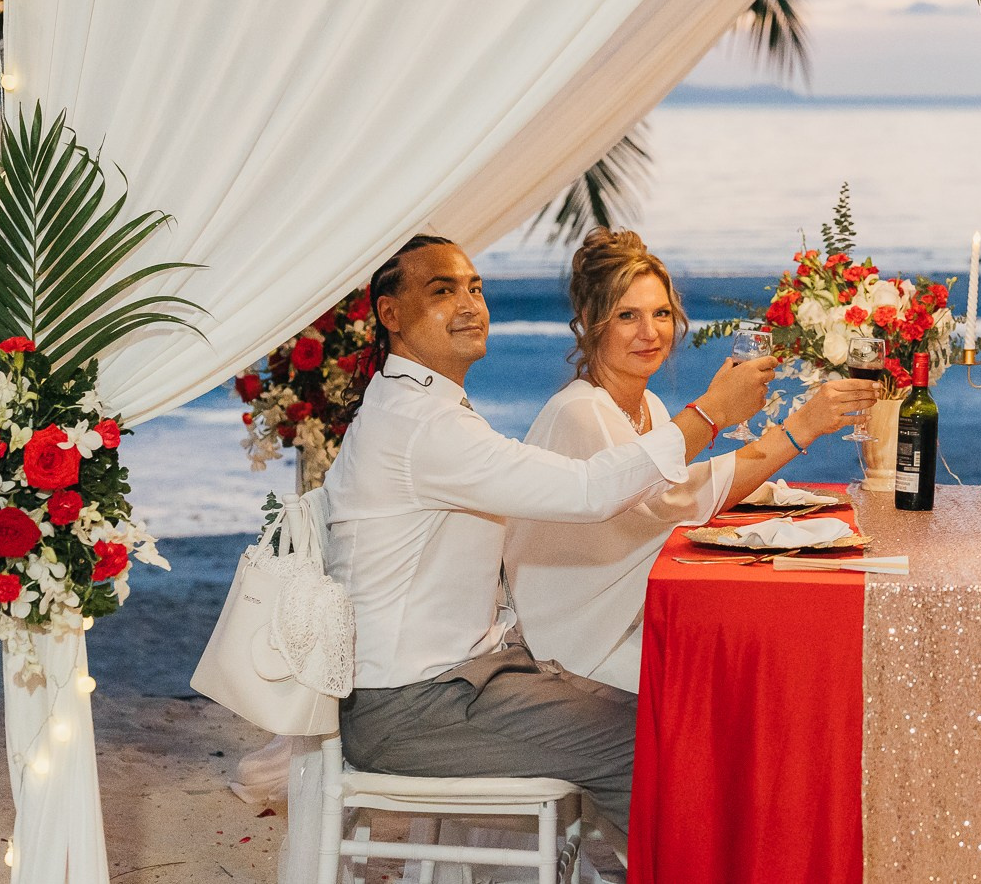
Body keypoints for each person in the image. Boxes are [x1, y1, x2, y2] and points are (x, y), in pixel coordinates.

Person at [322, 235, 776, 831]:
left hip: (468, 676)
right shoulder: (421, 427)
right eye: (442, 291)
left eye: (476, 288)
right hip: (413, 706)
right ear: (391, 315)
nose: (470, 305)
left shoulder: (425, 410)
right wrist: (711, 411)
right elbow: (591, 492)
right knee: (654, 743)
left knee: (667, 714)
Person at [506, 228, 878, 689]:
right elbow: (677, 503)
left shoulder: (650, 407)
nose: (650, 333)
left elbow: (680, 494)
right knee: (735, 674)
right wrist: (799, 426)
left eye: (661, 313)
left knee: (763, 644)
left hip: (631, 614)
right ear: (588, 321)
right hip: (578, 642)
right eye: (628, 316)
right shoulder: (581, 413)